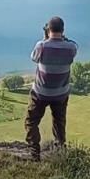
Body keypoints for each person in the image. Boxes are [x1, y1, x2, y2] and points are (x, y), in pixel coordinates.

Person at [25, 16, 78, 160]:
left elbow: (34, 58)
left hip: (40, 93)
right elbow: (73, 49)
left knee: (31, 121)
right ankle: (59, 149)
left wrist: (46, 38)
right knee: (59, 122)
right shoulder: (71, 47)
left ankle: (34, 152)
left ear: (48, 30)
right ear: (63, 30)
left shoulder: (41, 46)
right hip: (61, 93)